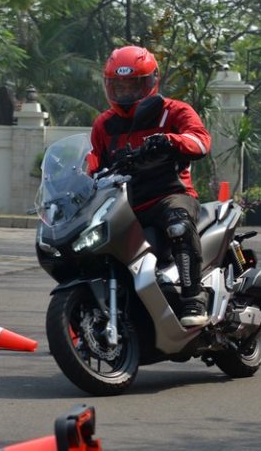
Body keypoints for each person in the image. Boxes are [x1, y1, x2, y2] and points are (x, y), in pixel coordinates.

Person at [88, 45, 212, 327]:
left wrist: (170, 141)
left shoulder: (174, 112)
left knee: (178, 224)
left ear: (150, 82)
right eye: (119, 86)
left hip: (169, 195)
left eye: (133, 85)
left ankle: (193, 298)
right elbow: (91, 161)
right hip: (125, 203)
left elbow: (201, 141)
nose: (125, 92)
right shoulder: (104, 124)